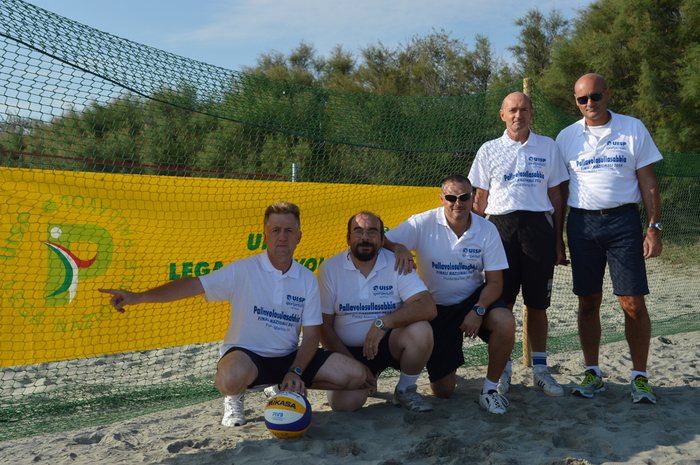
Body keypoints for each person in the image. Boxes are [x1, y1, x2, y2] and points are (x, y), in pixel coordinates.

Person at [99, 201, 366, 426]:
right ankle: (235, 396)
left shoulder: (307, 279)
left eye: (288, 231)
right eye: (275, 230)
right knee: (230, 379)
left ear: (299, 236)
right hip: (248, 356)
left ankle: (283, 385)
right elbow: (193, 285)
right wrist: (139, 296)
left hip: (288, 357)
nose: (282, 237)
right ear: (265, 235)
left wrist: (296, 370)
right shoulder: (243, 270)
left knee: (355, 376)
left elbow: (311, 336)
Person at [556, 73, 663, 404]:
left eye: (596, 96)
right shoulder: (566, 137)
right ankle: (593, 373)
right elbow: (559, 192)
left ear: (608, 94)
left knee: (632, 302)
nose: (590, 103)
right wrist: (557, 238)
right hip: (581, 226)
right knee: (588, 301)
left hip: (624, 223)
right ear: (576, 102)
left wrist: (654, 228)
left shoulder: (633, 128)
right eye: (582, 99)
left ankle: (640, 377)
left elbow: (648, 182)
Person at [384, 175, 516, 414]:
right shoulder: (422, 222)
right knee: (443, 391)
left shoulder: (487, 229)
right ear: (441, 198)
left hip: (473, 301)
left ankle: (489, 391)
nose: (458, 203)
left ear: (473, 198)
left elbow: (496, 282)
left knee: (505, 321)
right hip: (436, 310)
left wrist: (478, 310)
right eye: (451, 197)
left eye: (464, 197)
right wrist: (398, 246)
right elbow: (381, 241)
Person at [468, 91, 569, 397]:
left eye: (524, 110)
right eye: (512, 110)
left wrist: (558, 240)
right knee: (503, 305)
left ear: (531, 114)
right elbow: (480, 199)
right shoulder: (488, 149)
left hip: (538, 229)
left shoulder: (548, 146)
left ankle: (540, 370)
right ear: (502, 115)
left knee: (538, 305)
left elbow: (556, 196)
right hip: (499, 230)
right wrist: (474, 242)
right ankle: (503, 370)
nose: (518, 115)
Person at [318, 212, 437, 413]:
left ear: (382, 240)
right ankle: (366, 378)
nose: (365, 237)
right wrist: (351, 364)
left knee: (421, 330)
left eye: (372, 232)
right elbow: (324, 327)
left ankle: (405, 390)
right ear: (348, 238)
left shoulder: (398, 262)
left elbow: (428, 307)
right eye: (358, 232)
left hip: (388, 344)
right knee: (344, 405)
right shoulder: (330, 268)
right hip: (348, 350)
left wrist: (383, 322)